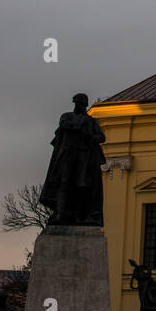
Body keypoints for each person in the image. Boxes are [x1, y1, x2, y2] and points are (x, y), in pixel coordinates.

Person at [39, 92, 106, 225]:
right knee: (64, 183)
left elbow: (101, 137)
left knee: (82, 185)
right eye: (77, 103)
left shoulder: (91, 121)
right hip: (67, 154)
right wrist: (80, 128)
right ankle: (61, 213)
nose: (79, 106)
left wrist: (90, 136)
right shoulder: (67, 116)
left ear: (85, 105)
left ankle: (79, 215)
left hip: (84, 156)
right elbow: (64, 125)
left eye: (81, 103)